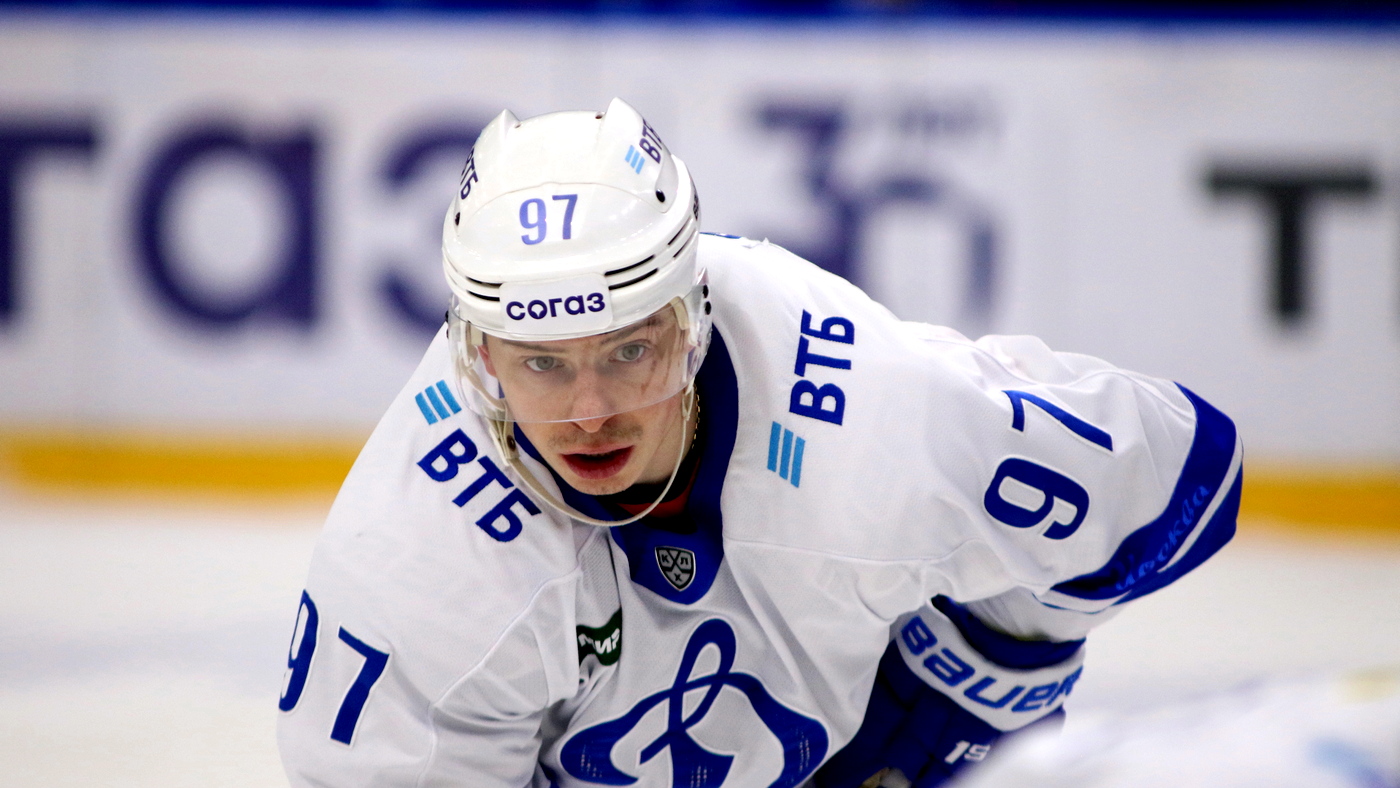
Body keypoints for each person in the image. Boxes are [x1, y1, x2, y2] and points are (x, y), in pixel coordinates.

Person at [276, 98, 1243, 788]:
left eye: (629, 351)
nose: (589, 413)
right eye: (540, 365)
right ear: (477, 355)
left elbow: (1178, 475)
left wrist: (970, 688)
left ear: (692, 320)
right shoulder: (418, 568)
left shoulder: (877, 420)